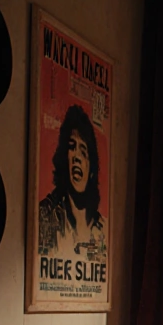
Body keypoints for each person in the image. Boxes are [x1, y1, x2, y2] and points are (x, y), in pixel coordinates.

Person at [38, 104, 107, 261]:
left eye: (83, 152)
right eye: (71, 147)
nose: (77, 156)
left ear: (91, 170)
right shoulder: (46, 215)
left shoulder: (102, 227)